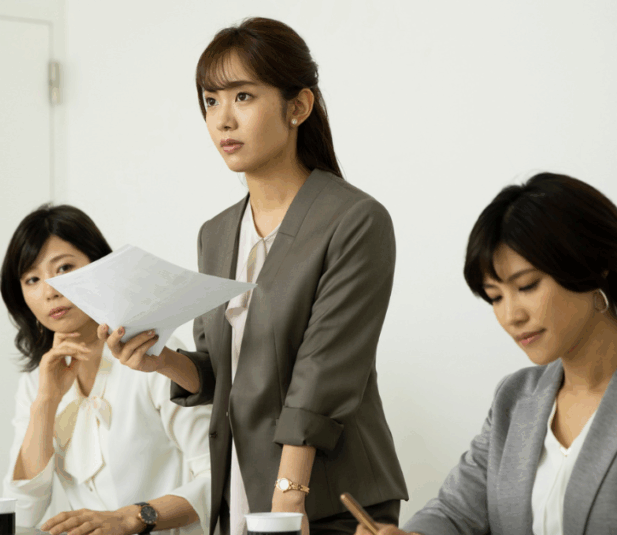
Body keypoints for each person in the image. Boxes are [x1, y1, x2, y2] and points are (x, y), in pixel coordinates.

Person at [100, 17, 407, 535]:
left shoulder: (355, 220)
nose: (223, 119)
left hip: (326, 501)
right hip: (241, 493)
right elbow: (225, 376)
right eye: (210, 101)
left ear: (298, 107)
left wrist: (288, 499)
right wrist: (162, 360)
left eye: (243, 96)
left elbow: (323, 374)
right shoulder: (216, 234)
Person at [359, 173, 617, 535]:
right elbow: (454, 513)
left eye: (527, 286)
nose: (511, 316)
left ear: (594, 266)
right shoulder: (515, 397)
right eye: (495, 297)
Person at [0, 204, 212, 535]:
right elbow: (23, 512)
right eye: (32, 279)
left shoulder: (152, 354)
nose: (50, 291)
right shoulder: (36, 382)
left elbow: (216, 478)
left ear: (101, 267)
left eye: (65, 268)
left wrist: (132, 518)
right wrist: (46, 402)